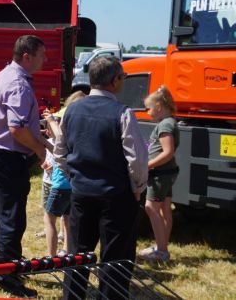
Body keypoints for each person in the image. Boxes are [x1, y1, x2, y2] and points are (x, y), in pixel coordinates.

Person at [53, 56, 148, 300]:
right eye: (123, 78)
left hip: (81, 193)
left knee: (77, 255)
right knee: (115, 259)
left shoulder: (72, 109)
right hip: (115, 195)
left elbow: (60, 153)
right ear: (115, 80)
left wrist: (73, 177)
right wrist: (138, 188)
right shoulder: (123, 113)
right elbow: (136, 159)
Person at [0, 35, 51, 298]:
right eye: (42, 54)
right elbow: (17, 129)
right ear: (27, 56)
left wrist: (41, 140)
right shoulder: (18, 83)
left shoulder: (4, 74)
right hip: (7, 156)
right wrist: (40, 149)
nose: (46, 59)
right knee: (12, 217)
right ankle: (7, 277)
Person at [41, 91, 86, 257]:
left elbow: (60, 140)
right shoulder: (82, 128)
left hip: (61, 183)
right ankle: (66, 251)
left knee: (49, 218)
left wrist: (52, 122)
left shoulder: (66, 128)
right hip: (73, 183)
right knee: (67, 218)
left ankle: (51, 256)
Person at [139, 86, 179, 263]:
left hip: (159, 175)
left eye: (149, 108)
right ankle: (161, 246)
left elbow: (168, 152)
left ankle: (162, 251)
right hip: (166, 173)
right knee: (164, 209)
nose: (147, 112)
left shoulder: (165, 125)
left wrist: (148, 165)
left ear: (159, 107)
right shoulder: (169, 122)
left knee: (150, 207)